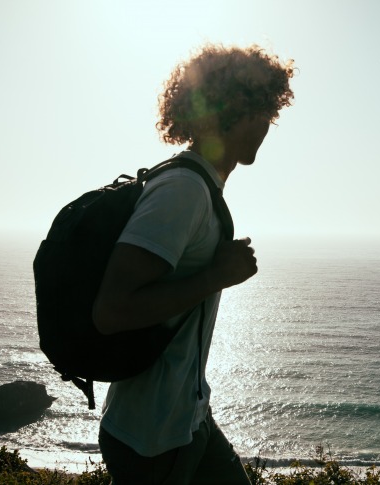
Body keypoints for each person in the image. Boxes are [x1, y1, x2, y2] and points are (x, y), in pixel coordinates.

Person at [92, 44, 295, 484]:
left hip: (188, 419)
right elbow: (111, 311)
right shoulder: (183, 190)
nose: (266, 124)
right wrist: (215, 277)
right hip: (150, 437)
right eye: (258, 109)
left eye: (269, 111)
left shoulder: (200, 187)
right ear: (222, 111)